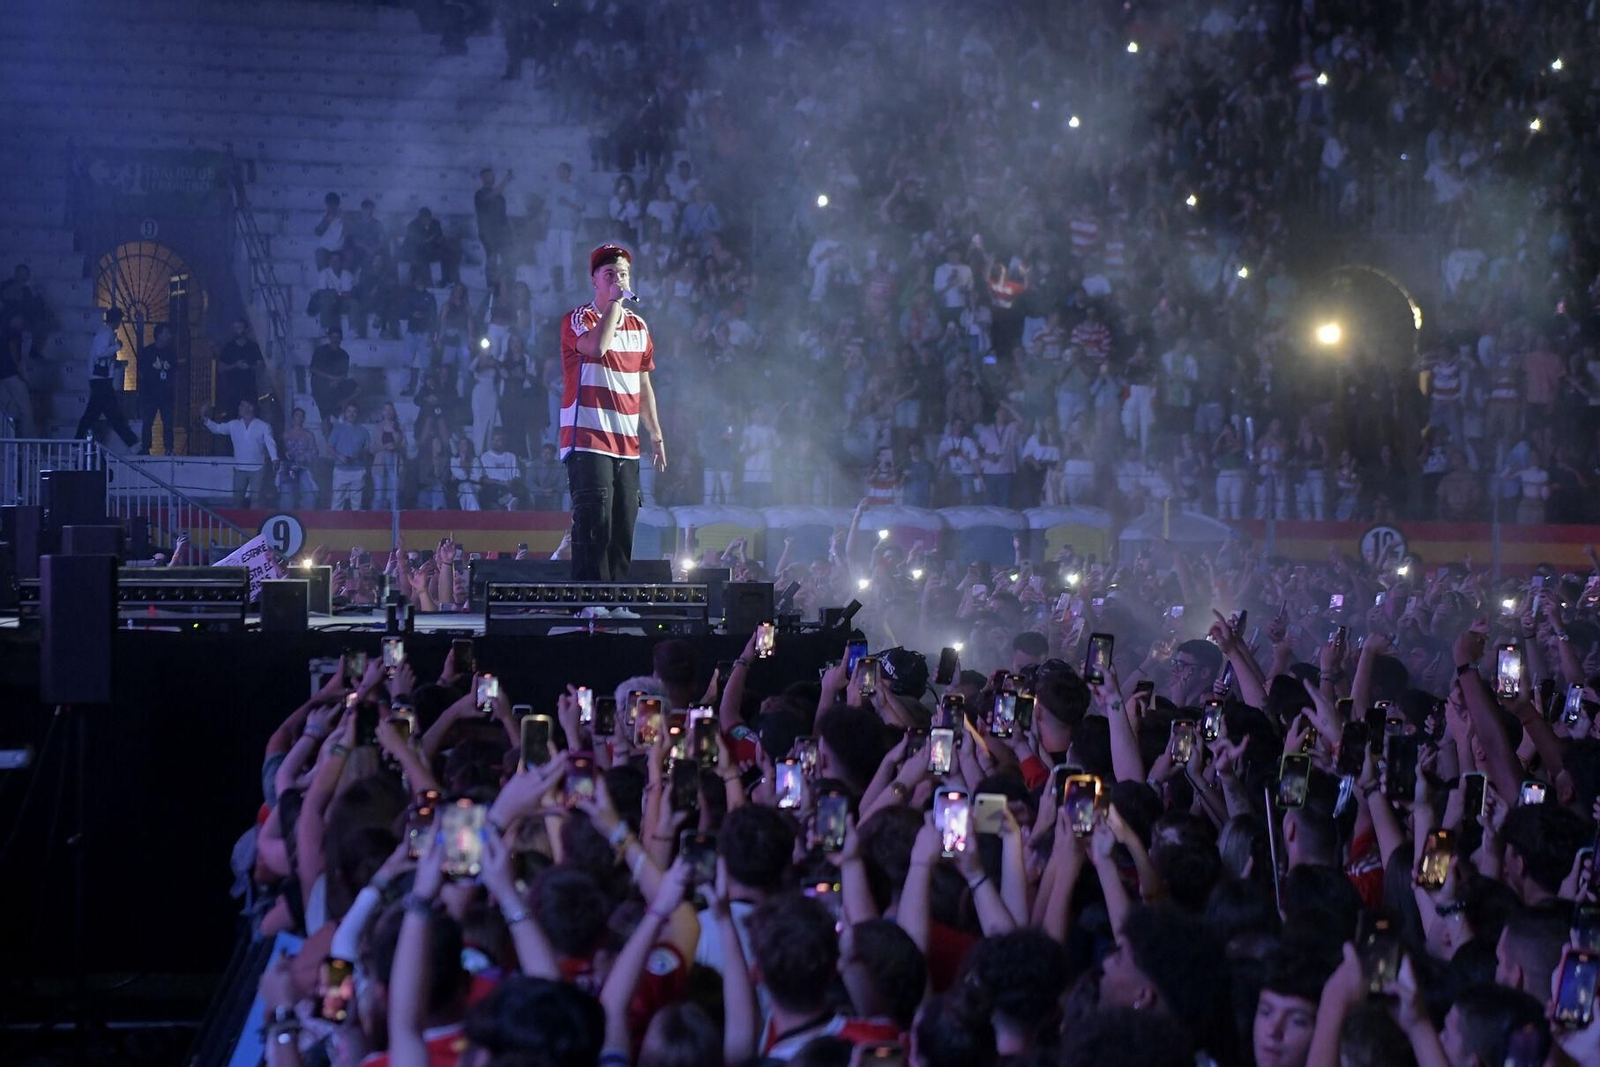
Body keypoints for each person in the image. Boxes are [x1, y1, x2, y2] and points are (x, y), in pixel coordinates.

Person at [559, 243, 666, 581]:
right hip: (588, 438)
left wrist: (656, 434)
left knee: (623, 523)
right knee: (595, 521)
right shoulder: (580, 319)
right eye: (610, 274)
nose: (618, 280)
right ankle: (589, 599)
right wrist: (614, 305)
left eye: (623, 274)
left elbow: (643, 384)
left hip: (626, 443)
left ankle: (615, 596)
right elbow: (597, 346)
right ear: (594, 280)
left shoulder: (639, 327)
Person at [74, 307, 138, 448]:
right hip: (101, 380)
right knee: (113, 414)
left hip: (100, 380)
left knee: (93, 414)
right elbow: (100, 353)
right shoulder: (105, 334)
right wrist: (117, 347)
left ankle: (77, 442)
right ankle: (132, 443)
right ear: (116, 320)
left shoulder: (105, 333)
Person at [201, 398, 278, 506]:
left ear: (250, 407)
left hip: (257, 469)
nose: (239, 407)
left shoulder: (263, 426)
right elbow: (217, 429)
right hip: (239, 469)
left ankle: (255, 517)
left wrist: (275, 459)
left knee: (256, 500)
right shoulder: (233, 424)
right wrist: (204, 417)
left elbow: (270, 443)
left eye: (242, 405)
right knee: (237, 499)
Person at [135, 322, 178, 455]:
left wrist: (171, 384)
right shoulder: (147, 352)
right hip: (150, 393)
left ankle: (169, 448)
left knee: (168, 422)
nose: (169, 336)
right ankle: (145, 448)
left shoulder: (171, 353)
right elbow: (141, 371)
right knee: (148, 421)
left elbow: (175, 371)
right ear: (159, 335)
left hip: (166, 394)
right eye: (166, 333)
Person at [309, 329, 356, 433]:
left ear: (341, 339)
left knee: (356, 387)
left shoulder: (344, 355)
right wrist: (331, 378)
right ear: (329, 337)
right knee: (325, 400)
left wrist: (337, 381)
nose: (335, 340)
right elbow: (313, 369)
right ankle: (332, 417)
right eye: (333, 337)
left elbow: (344, 374)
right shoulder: (320, 351)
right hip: (320, 385)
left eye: (338, 337)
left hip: (336, 385)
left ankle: (340, 414)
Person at [215, 318, 264, 417]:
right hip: (233, 391)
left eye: (239, 327)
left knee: (251, 416)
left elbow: (260, 365)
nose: (236, 330)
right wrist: (235, 365)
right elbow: (220, 368)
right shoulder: (229, 347)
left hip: (250, 390)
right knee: (232, 417)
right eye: (235, 328)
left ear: (246, 329)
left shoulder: (253, 346)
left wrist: (249, 367)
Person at [326, 402, 370, 511]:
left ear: (358, 414)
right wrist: (339, 456)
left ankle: (357, 522)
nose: (352, 414)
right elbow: (329, 447)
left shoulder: (364, 431)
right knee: (337, 502)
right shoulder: (337, 429)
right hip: (341, 470)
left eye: (354, 412)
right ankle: (335, 522)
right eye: (349, 411)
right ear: (345, 413)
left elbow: (368, 449)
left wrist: (361, 453)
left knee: (357, 504)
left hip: (358, 470)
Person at [474, 168, 513, 285]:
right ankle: (491, 286)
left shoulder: (500, 196)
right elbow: (490, 197)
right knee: (492, 259)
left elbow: (503, 215)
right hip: (488, 234)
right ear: (482, 178)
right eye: (487, 176)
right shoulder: (479, 194)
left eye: (492, 175)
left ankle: (505, 285)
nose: (491, 178)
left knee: (508, 259)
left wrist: (509, 231)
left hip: (502, 233)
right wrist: (506, 181)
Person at [277, 407, 319, 509]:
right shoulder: (286, 434)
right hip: (287, 468)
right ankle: (286, 514)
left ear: (304, 418)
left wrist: (305, 456)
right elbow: (279, 451)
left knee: (309, 493)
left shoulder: (308, 434)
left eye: (301, 416)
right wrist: (286, 454)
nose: (299, 418)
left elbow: (315, 452)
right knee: (286, 495)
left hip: (304, 467)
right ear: (293, 418)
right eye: (297, 415)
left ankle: (308, 515)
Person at [0, 313, 34, 436]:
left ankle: (12, 440)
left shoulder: (4, 332)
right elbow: (13, 350)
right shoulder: (13, 332)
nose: (22, 322)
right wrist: (19, 371)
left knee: (10, 410)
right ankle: (27, 442)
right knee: (26, 410)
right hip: (12, 374)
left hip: (3, 376)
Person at [479, 429, 524, 510]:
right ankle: (509, 500)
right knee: (489, 489)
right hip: (494, 486)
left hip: (510, 486)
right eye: (493, 439)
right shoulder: (484, 456)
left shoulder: (511, 456)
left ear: (504, 442)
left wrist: (512, 482)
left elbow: (517, 475)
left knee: (520, 488)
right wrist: (499, 482)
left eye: (498, 440)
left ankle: (508, 499)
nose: (495, 442)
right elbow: (483, 478)